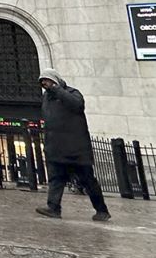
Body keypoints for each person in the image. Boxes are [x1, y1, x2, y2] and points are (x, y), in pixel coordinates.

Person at [35, 68, 111, 222]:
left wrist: (57, 90)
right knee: (56, 179)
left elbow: (77, 105)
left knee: (88, 181)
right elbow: (49, 124)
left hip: (76, 149)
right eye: (42, 81)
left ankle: (101, 210)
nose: (44, 83)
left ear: (55, 80)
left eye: (46, 80)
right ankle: (53, 208)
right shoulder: (46, 98)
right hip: (56, 149)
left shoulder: (72, 93)